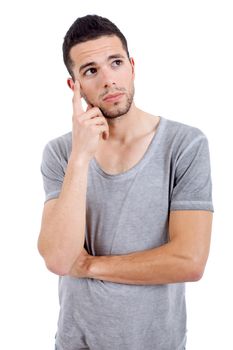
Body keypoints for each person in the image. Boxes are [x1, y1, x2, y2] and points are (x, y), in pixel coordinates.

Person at [38, 14, 214, 350]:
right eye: (91, 71)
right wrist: (80, 157)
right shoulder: (61, 153)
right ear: (74, 87)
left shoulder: (185, 145)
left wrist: (89, 265)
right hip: (77, 342)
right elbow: (60, 260)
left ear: (132, 66)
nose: (108, 80)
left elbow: (189, 261)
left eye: (115, 63)